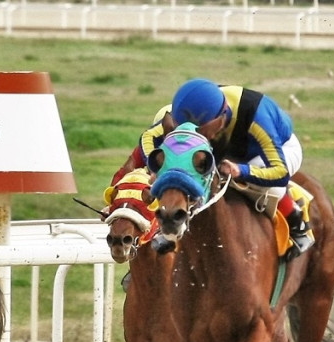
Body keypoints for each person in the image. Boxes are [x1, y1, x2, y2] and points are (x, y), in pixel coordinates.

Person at [110, 78, 314, 257]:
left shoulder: (257, 116)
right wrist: (157, 168)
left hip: (273, 150)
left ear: (220, 119)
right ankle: (172, 230)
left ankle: (296, 220)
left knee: (267, 185)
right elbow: (149, 136)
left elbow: (279, 172)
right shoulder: (188, 108)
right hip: (223, 144)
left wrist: (240, 171)